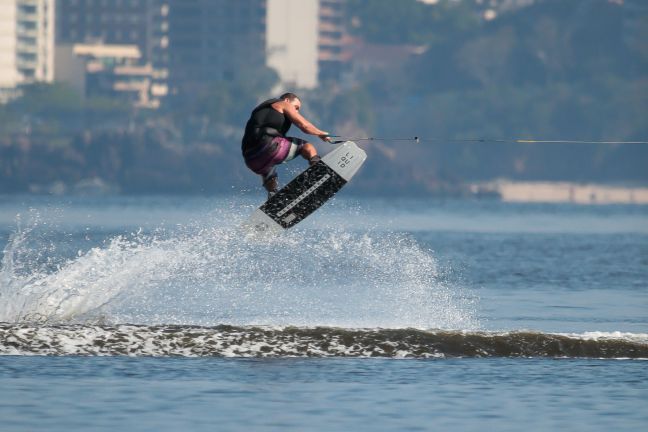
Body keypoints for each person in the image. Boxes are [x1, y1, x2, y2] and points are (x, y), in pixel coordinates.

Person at [241, 92, 331, 198]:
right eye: (296, 107)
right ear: (287, 100)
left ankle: (273, 196)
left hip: (251, 159)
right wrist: (320, 133)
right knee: (307, 147)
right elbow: (304, 126)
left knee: (269, 171)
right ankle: (318, 172)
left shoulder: (262, 110)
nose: (296, 111)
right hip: (270, 147)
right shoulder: (283, 104)